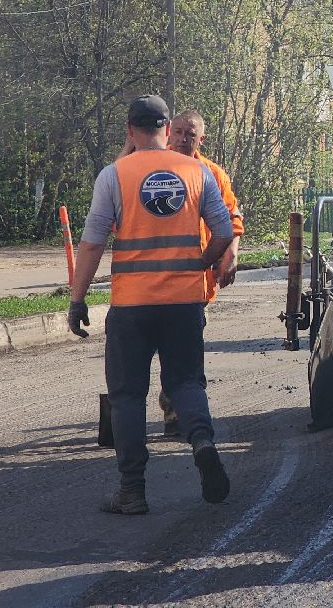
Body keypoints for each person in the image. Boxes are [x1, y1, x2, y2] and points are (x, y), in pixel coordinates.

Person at [68, 94, 237, 515]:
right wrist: (201, 263)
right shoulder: (197, 171)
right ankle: (202, 441)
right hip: (184, 303)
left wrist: (77, 298)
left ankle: (132, 491)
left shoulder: (115, 174)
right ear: (167, 129)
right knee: (186, 384)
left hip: (132, 305)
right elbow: (223, 232)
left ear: (130, 130)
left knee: (127, 395)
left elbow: (92, 243)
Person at [155, 109, 244, 437]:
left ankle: (179, 411)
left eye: (189, 135)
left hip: (194, 280)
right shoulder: (152, 169)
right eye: (177, 132)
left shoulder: (212, 174)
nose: (182, 139)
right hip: (152, 279)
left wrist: (230, 256)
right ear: (167, 133)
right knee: (166, 347)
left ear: (200, 139)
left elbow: (232, 219)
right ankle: (174, 407)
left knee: (184, 348)